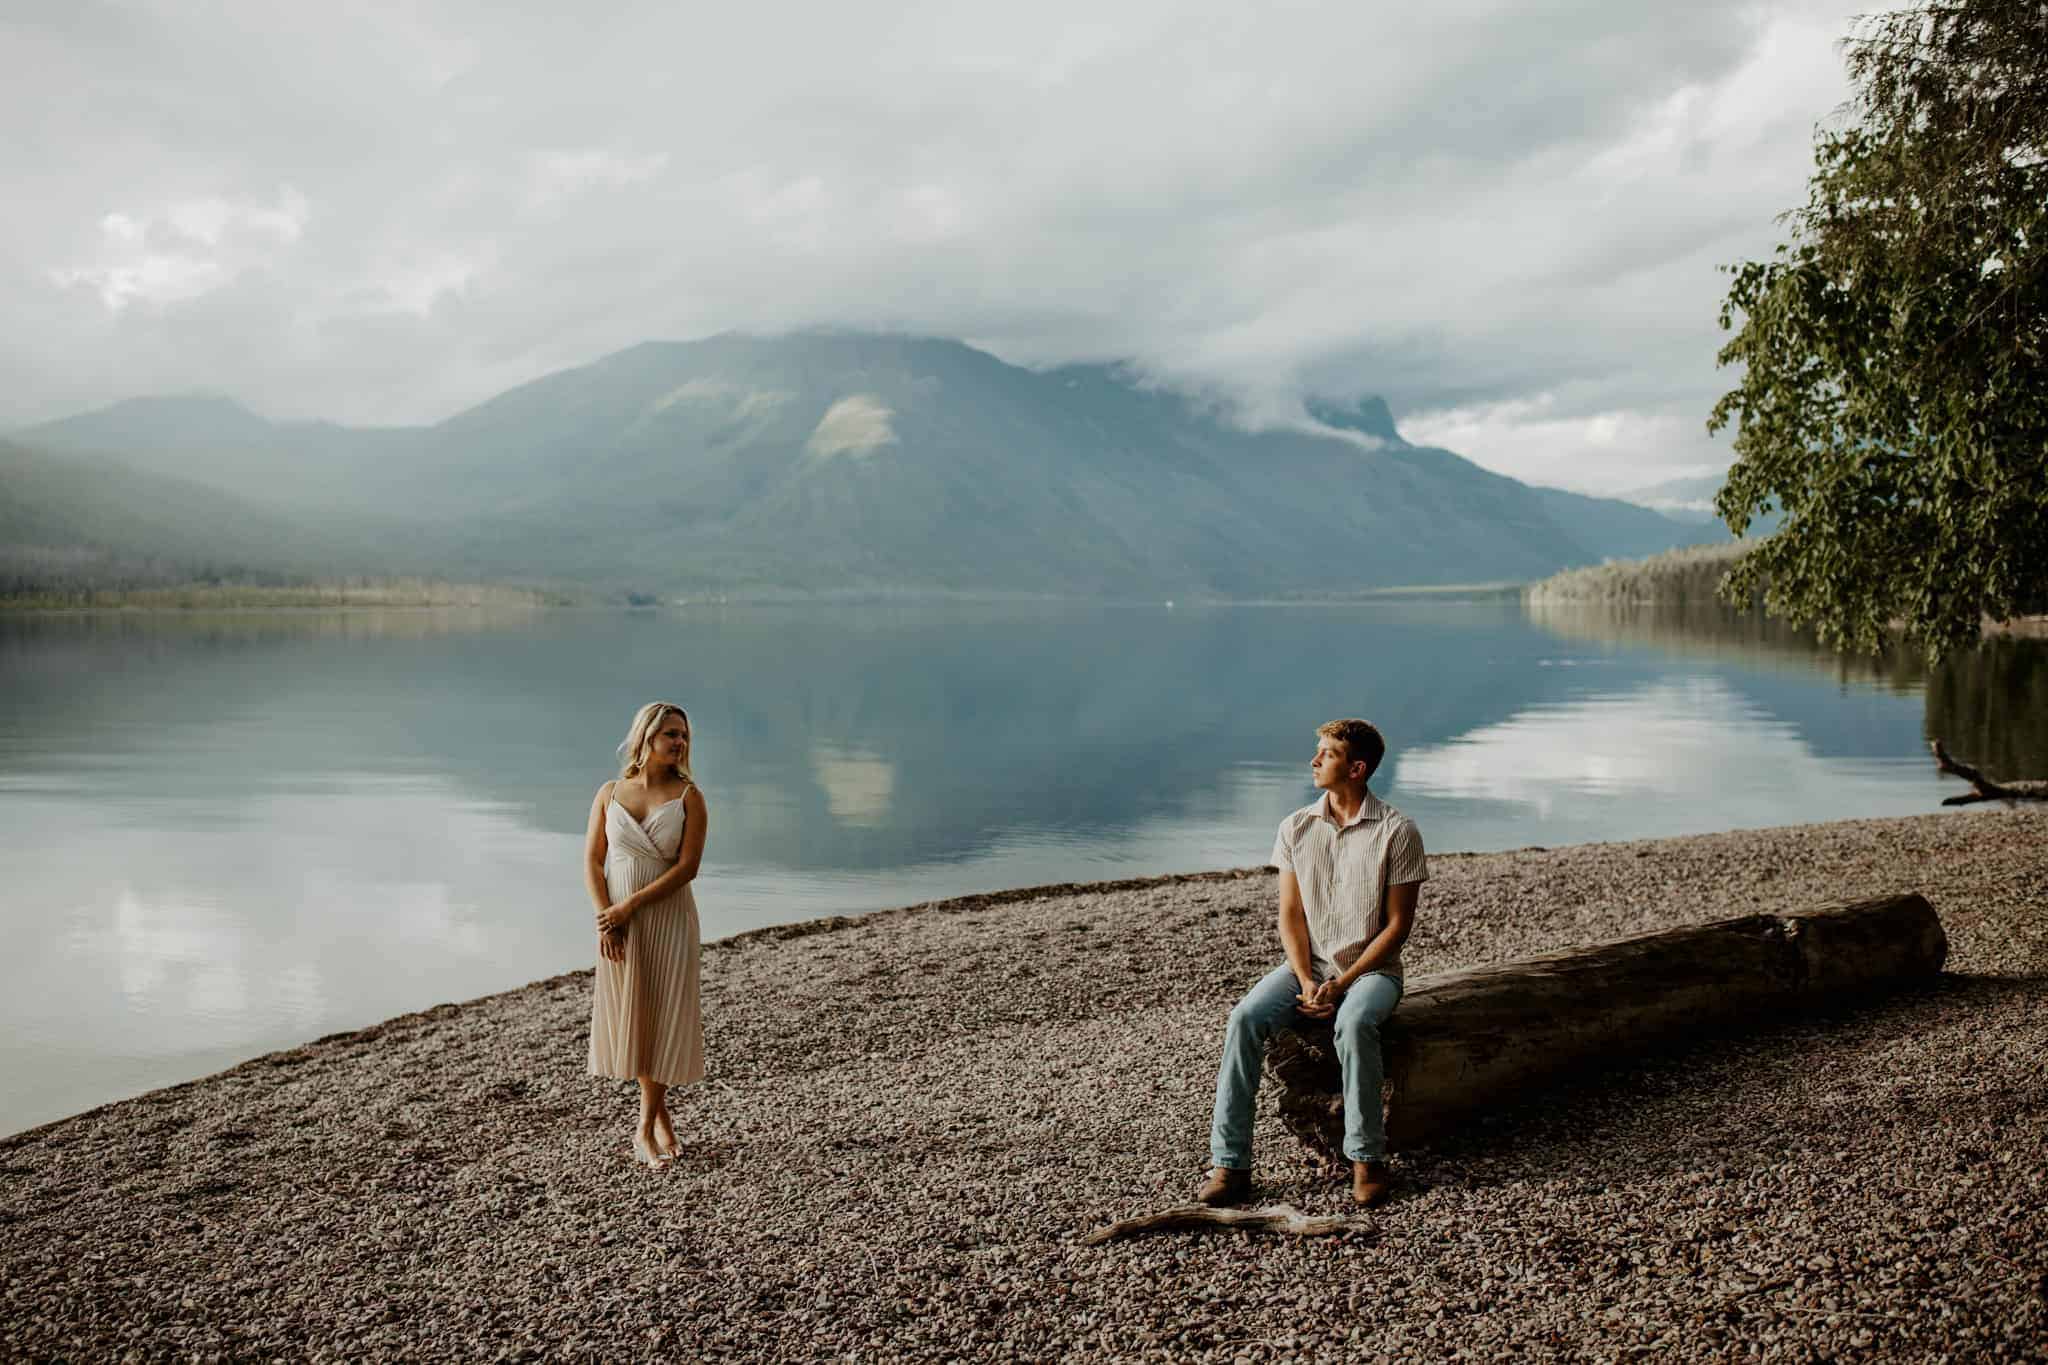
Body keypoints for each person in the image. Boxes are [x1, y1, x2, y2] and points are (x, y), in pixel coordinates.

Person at [1198, 718, 1427, 1208]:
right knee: (1244, 1018)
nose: (1314, 760)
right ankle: (1229, 1164)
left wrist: (1341, 983)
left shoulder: (1398, 831)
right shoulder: (1296, 827)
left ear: (1357, 768)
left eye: (1327, 753)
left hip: (1372, 972)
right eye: (1318, 750)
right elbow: (1291, 916)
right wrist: (1305, 979)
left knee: (1355, 1023)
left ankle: (1367, 1160)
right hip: (1310, 966)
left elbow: (1397, 928)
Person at [585, 701, 709, 1169]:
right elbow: (592, 862)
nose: (679, 743)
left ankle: (643, 1129)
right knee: (636, 1016)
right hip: (617, 921)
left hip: (668, 917)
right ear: (646, 737)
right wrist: (607, 918)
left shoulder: (689, 797)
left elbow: (688, 868)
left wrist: (629, 906)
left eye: (684, 735)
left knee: (665, 1016)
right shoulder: (610, 792)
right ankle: (661, 1119)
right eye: (670, 734)